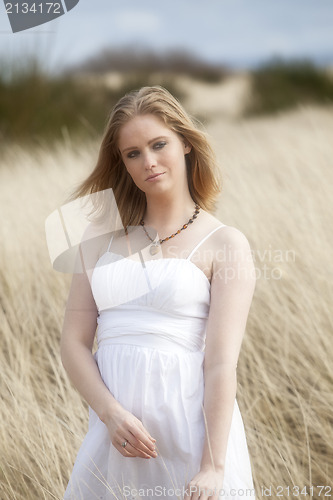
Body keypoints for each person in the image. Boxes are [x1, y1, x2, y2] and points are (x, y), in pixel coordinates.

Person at [60, 86, 256, 500]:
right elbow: (73, 343)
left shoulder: (225, 244)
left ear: (185, 143)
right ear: (123, 163)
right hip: (116, 439)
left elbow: (221, 364)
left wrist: (214, 466)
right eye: (133, 153)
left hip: (191, 438)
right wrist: (110, 414)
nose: (148, 161)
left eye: (158, 144)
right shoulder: (98, 237)